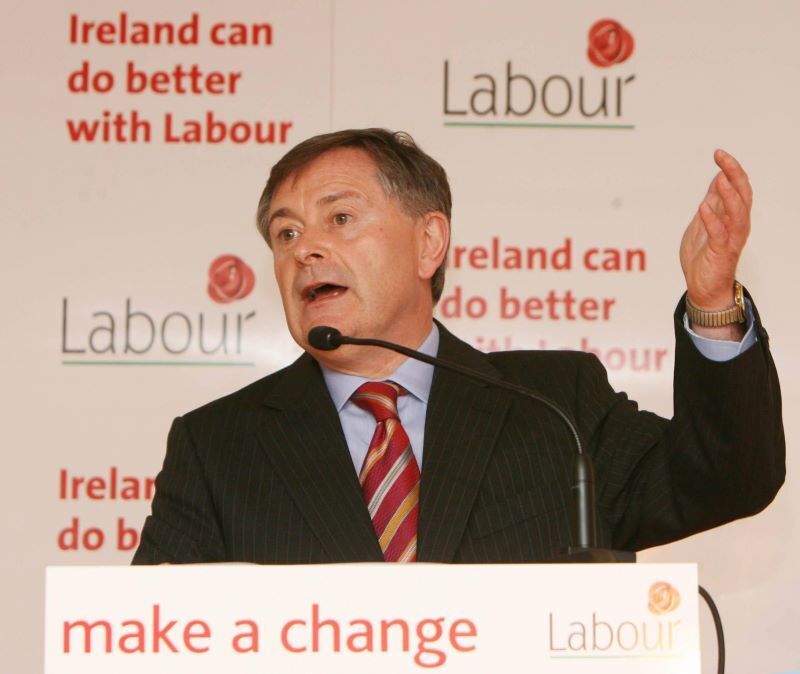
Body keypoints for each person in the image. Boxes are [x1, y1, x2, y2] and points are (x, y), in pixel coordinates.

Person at [133, 128, 784, 565]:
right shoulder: (218, 447)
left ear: (429, 243)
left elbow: (729, 480)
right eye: (285, 234)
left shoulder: (553, 407)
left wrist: (712, 302)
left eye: (340, 218)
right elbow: (158, 637)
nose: (306, 249)